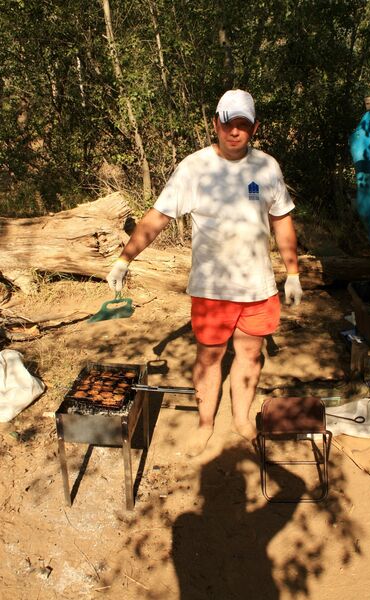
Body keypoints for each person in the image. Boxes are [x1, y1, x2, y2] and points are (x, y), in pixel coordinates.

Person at [106, 89, 302, 456]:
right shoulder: (194, 168)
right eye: (228, 123)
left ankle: (242, 420)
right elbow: (158, 217)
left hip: (258, 287)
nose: (234, 131)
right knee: (210, 358)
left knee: (250, 356)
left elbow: (282, 220)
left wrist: (293, 272)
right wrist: (124, 259)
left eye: (243, 124)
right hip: (212, 291)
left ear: (254, 127)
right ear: (215, 123)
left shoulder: (267, 167)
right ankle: (206, 424)